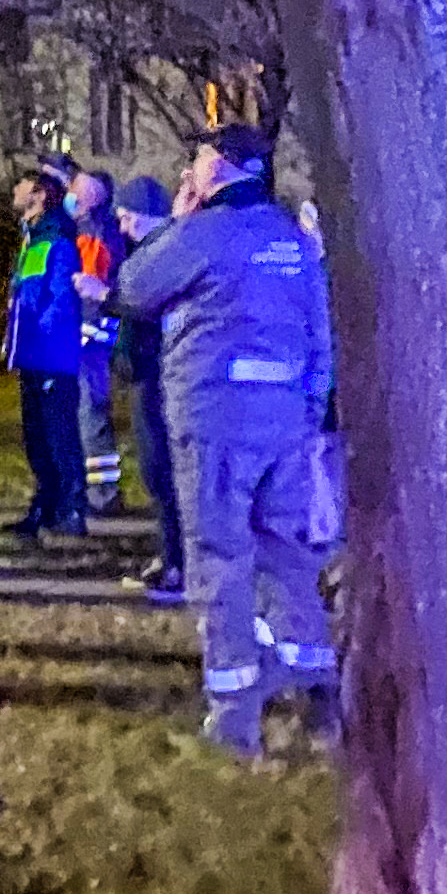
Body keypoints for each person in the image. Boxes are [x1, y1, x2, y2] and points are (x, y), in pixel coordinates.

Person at [111, 127, 337, 757]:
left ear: (225, 168)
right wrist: (308, 411)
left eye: (201, 157)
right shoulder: (290, 240)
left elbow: (134, 287)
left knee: (220, 557)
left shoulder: (206, 233)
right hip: (286, 419)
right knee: (287, 553)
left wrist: (178, 221)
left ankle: (234, 720)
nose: (191, 166)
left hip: (217, 418)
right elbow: (319, 333)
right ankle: (318, 696)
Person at [1, 166, 91, 539]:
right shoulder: (33, 240)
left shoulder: (56, 242)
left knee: (59, 436)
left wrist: (40, 343)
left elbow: (59, 303)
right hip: (33, 356)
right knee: (38, 438)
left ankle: (71, 509)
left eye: (21, 185)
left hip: (51, 357)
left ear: (38, 195)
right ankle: (46, 506)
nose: (14, 189)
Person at [114, 171, 187, 600]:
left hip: (159, 376)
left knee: (165, 471)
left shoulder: (159, 256)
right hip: (149, 373)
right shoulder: (155, 252)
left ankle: (177, 563)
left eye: (126, 217)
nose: (122, 227)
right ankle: (170, 555)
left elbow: (142, 309)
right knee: (158, 472)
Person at [69, 167, 133, 502]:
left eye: (78, 189)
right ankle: (98, 488)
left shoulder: (95, 233)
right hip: (91, 331)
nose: (71, 193)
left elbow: (90, 287)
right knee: (86, 409)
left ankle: (103, 492)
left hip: (90, 333)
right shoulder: (93, 229)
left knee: (89, 410)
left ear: (94, 196)